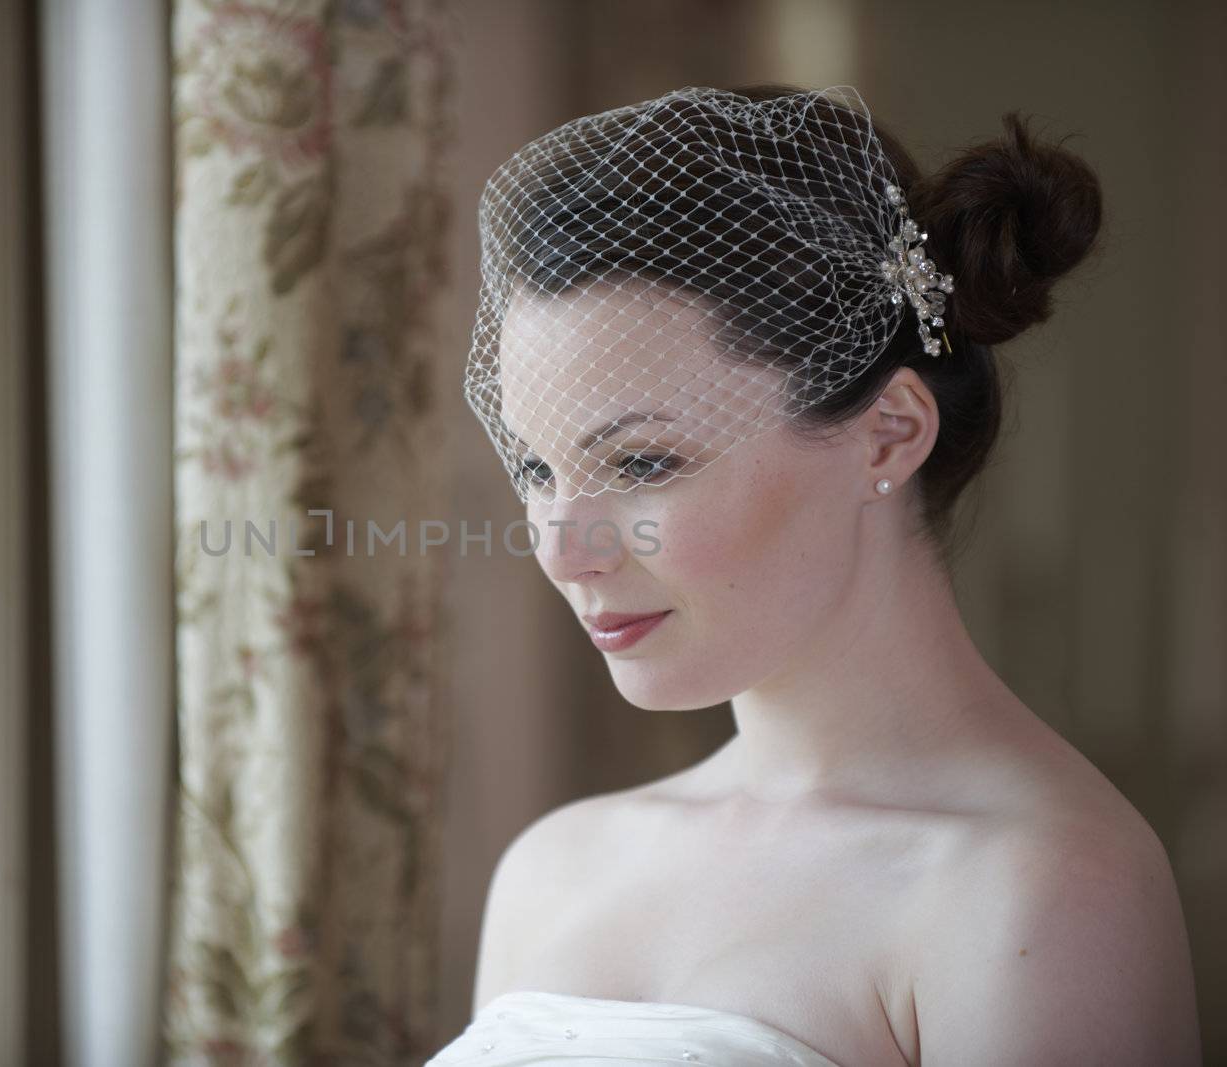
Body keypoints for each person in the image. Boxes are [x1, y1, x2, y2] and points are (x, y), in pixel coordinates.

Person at [426, 84, 1201, 1066]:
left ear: (889, 432)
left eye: (642, 463)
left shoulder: (1040, 891)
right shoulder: (552, 868)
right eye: (536, 467)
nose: (560, 545)